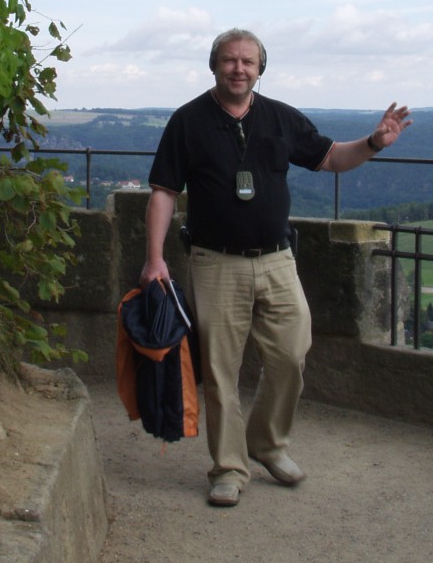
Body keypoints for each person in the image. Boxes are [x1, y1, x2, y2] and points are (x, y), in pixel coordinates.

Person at [140, 28, 412, 508]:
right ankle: (228, 468)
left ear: (260, 68)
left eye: (248, 61)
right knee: (220, 372)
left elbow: (331, 157)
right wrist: (154, 258)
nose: (238, 69)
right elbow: (164, 192)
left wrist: (374, 142)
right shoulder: (188, 121)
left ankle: (266, 443)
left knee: (292, 351)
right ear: (214, 66)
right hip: (214, 261)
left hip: (277, 259)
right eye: (230, 60)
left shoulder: (281, 117)